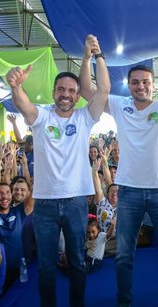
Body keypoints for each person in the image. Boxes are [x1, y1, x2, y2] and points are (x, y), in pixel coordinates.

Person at [79, 24, 158, 307]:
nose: (141, 86)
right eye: (136, 82)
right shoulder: (119, 105)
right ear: (129, 85)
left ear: (153, 84)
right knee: (125, 254)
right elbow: (88, 91)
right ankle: (124, 302)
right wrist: (89, 56)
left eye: (146, 82)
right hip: (128, 192)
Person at [6, 34, 110, 307]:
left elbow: (103, 91)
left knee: (77, 261)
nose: (66, 95)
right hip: (45, 204)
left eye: (71, 91)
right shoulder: (41, 117)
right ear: (53, 93)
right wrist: (16, 86)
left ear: (77, 95)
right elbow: (22, 104)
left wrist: (91, 57)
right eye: (61, 90)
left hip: (77, 202)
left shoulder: (85, 117)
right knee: (47, 266)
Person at [0, 181, 33, 292]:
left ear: (11, 195)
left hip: (18, 269)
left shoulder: (19, 212)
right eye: (0, 193)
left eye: (7, 192)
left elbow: (34, 192)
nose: (4, 196)